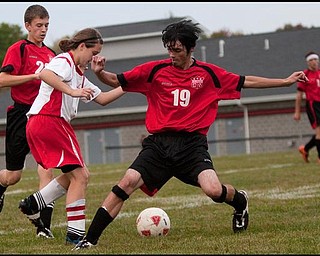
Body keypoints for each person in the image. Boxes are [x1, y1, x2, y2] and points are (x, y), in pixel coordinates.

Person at [72, 19, 308, 250]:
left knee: (214, 190)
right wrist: (100, 73)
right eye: (169, 50)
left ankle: (240, 201)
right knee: (126, 182)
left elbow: (247, 81)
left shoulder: (208, 74)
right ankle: (90, 240)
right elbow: (116, 80)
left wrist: (285, 82)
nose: (172, 55)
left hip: (191, 146)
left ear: (190, 48)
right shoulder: (154, 71)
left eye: (177, 50)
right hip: (158, 145)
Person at [18, 27, 125, 245]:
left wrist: (132, 85)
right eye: (94, 53)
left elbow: (102, 98)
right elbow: (45, 74)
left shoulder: (79, 73)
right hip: (49, 120)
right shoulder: (64, 61)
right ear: (82, 46)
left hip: (46, 123)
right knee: (81, 176)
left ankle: (34, 203)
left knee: (75, 174)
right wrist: (71, 91)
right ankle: (75, 236)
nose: (96, 58)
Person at [0, 4, 56, 238]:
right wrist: (34, 75)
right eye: (39, 25)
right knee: (13, 176)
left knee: (46, 169)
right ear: (28, 26)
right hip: (20, 115)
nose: (43, 30)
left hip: (42, 116)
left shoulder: (52, 54)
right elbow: (3, 79)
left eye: (46, 25)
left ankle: (44, 228)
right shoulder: (19, 49)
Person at [294, 51, 320, 164]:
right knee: (319, 132)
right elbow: (299, 95)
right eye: (311, 60)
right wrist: (297, 112)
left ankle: (305, 149)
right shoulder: (305, 75)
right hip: (313, 105)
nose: (313, 62)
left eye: (315, 59)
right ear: (308, 63)